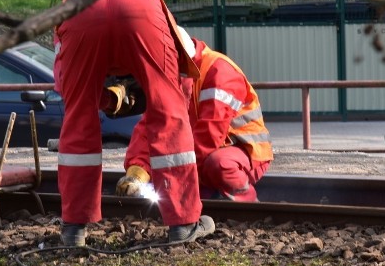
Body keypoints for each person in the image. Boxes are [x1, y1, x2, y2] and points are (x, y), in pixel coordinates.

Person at [53, 0, 215, 247]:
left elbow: (67, 88)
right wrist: (151, 93)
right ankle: (183, 224)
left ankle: (73, 230)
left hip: (79, 9)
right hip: (139, 3)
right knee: (169, 113)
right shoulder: (178, 38)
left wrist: (105, 98)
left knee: (78, 117)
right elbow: (177, 90)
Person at [117, 29, 273, 202]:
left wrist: (174, 174)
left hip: (245, 152)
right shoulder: (174, 75)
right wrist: (136, 172)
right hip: (201, 153)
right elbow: (149, 127)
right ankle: (209, 200)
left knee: (218, 164)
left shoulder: (219, 71)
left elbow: (209, 136)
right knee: (172, 177)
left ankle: (248, 203)